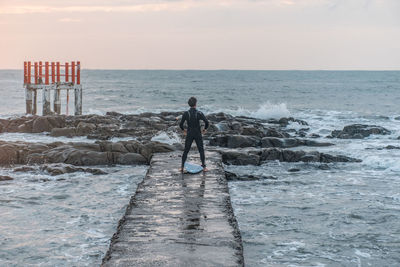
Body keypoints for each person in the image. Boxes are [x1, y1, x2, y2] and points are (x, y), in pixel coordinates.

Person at [179, 97, 209, 172]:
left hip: (189, 133)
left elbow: (181, 124)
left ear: (189, 104)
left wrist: (184, 130)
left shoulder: (186, 113)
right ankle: (204, 167)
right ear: (196, 104)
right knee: (201, 150)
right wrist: (204, 129)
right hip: (197, 133)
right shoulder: (199, 113)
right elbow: (207, 122)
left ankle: (182, 167)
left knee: (186, 150)